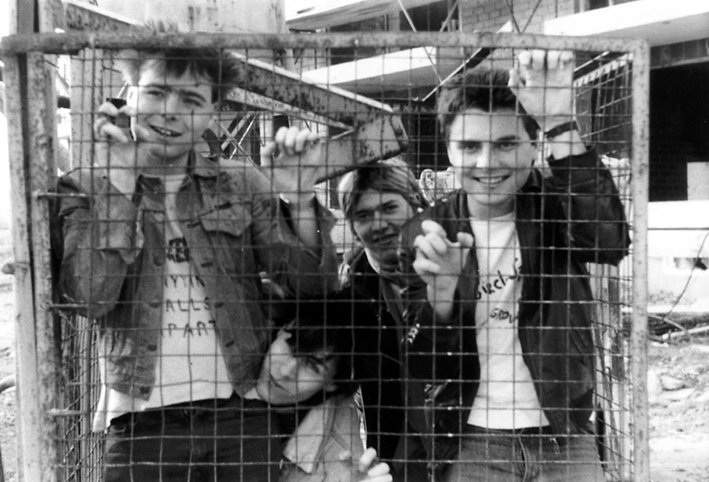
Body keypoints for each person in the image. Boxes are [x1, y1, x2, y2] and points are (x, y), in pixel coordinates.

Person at [53, 24, 337, 481]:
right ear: (130, 94)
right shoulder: (85, 187)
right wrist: (120, 184)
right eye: (157, 92)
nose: (170, 111)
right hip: (140, 424)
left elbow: (314, 289)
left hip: (240, 415)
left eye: (191, 100)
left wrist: (299, 199)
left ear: (212, 112)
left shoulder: (240, 183)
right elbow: (89, 298)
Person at [399, 50, 630, 481]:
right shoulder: (425, 233)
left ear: (533, 145)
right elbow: (426, 365)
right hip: (471, 442)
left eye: (506, 144)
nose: (487, 163)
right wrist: (441, 296)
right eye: (470, 146)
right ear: (448, 149)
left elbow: (609, 243)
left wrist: (558, 120)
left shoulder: (554, 208)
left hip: (564, 434)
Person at [337, 157, 430, 481]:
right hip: (397, 444)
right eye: (363, 216)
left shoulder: (453, 256)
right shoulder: (354, 283)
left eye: (389, 208)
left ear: (415, 203)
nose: (378, 224)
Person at [244, 298, 392, 482]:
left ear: (333, 383)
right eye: (290, 347)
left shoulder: (341, 461)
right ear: (279, 331)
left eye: (312, 367)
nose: (286, 371)